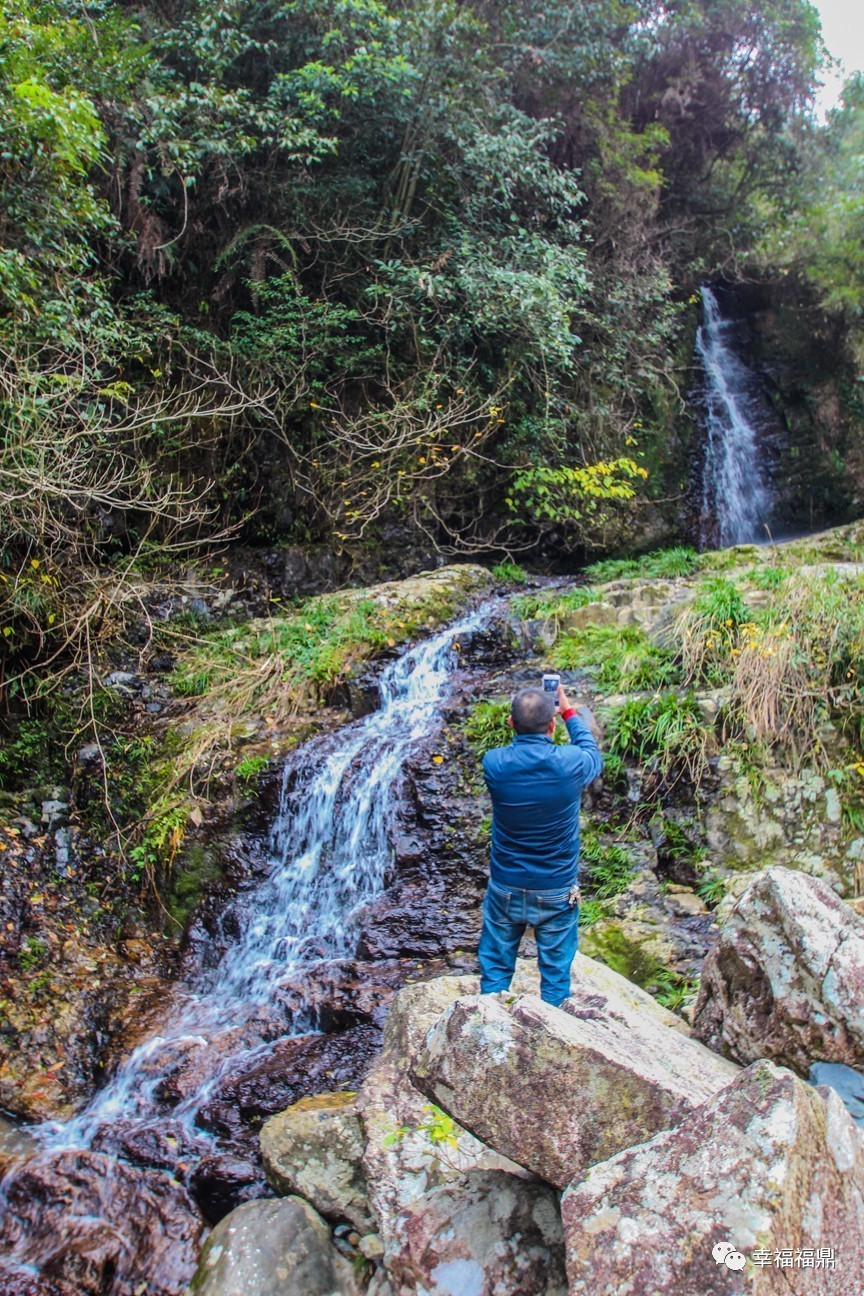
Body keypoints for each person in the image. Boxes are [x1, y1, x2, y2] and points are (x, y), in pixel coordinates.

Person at [477, 683, 603, 1006]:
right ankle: (552, 1034)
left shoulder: (494, 765)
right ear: (551, 725)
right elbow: (591, 753)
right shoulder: (570, 764)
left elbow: (514, 755)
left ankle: (486, 1029)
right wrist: (569, 713)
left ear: (510, 724)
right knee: (556, 978)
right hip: (557, 891)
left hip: (506, 887)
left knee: (494, 971)